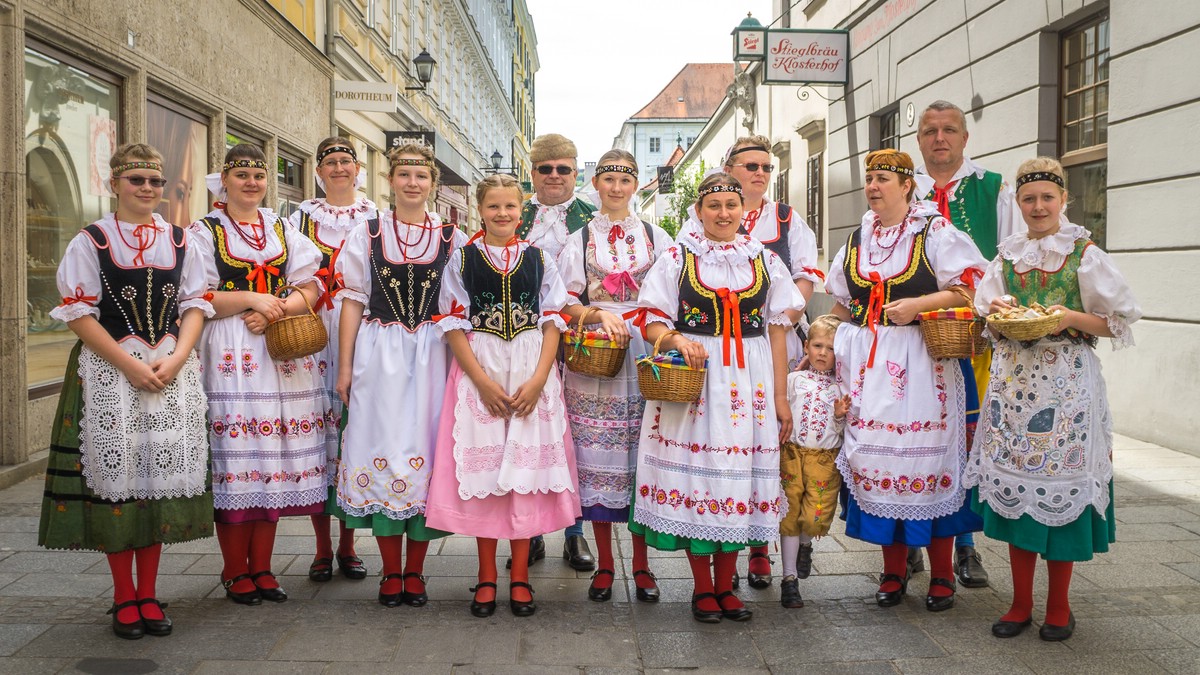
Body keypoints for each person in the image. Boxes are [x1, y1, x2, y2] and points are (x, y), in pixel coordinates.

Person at [38, 144, 213, 639]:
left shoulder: (182, 240)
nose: (147, 189)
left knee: (155, 480)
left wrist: (177, 357)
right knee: (121, 479)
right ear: (115, 183)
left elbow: (195, 305)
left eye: (154, 182)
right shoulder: (90, 240)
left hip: (168, 369)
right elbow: (79, 313)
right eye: (136, 180)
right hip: (110, 372)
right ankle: (123, 597)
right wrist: (127, 365)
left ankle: (150, 594)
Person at [966, 157, 1141, 641]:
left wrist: (1068, 317)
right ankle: (1020, 603)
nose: (1038, 206)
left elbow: (1116, 322)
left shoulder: (1084, 253)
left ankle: (1059, 606)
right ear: (1018, 204)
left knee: (1060, 486)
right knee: (1016, 495)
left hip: (1067, 387)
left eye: (1047, 197)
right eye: (1029, 198)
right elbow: (986, 314)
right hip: (1013, 386)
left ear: (1064, 200)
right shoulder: (1006, 255)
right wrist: (997, 308)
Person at [630, 172, 805, 624]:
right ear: (700, 211)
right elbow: (649, 320)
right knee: (701, 480)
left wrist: (781, 398)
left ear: (744, 210)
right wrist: (673, 339)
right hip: (697, 382)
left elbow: (779, 331)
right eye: (714, 206)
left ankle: (727, 587)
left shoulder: (764, 260)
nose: (724, 214)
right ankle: (703, 589)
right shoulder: (676, 258)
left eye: (731, 205)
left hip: (751, 382)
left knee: (737, 478)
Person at [825, 149, 988, 613]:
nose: (873, 187)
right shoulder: (858, 238)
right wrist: (814, 339)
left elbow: (970, 289)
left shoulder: (934, 231)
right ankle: (894, 571)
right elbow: (841, 303)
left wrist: (919, 306)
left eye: (882, 179)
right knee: (877, 465)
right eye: (869, 179)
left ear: (906, 185)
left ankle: (941, 575)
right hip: (867, 367)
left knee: (927, 464)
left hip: (923, 363)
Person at [425, 173, 581, 618]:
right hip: (483, 370)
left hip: (531, 369)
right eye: (493, 207)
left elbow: (553, 320)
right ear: (481, 210)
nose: (502, 214)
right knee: (489, 475)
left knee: (523, 478)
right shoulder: (463, 259)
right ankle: (487, 575)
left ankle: (520, 576)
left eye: (510, 207)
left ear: (521, 210)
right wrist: (481, 382)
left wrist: (538, 379)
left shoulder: (539, 259)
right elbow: (453, 325)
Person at [191, 144, 327, 606]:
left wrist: (279, 308)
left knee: (270, 456)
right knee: (238, 455)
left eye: (258, 175)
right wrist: (252, 300)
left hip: (280, 349)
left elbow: (314, 281)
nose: (251, 182)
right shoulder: (204, 231)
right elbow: (194, 296)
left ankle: (263, 568)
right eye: (241, 174)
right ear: (224, 181)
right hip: (230, 349)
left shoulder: (281, 226)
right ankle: (234, 570)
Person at [332, 143, 465, 607]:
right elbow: (352, 301)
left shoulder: (454, 238)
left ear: (432, 183)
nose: (412, 182)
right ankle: (391, 572)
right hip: (380, 354)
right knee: (385, 448)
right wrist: (345, 367)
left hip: (433, 356)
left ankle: (416, 571)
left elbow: (458, 308)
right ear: (390, 180)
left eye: (421, 175)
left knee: (427, 450)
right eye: (404, 174)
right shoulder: (365, 233)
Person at [913, 100, 1026, 587]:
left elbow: (1012, 260)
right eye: (930, 131)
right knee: (915, 434)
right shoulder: (904, 186)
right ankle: (914, 539)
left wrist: (1002, 321)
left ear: (964, 138)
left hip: (973, 334)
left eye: (949, 130)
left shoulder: (994, 190)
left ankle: (965, 546)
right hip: (911, 337)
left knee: (966, 434)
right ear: (919, 140)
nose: (940, 138)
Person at [557, 150, 670, 603]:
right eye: (609, 180)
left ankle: (641, 567)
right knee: (598, 460)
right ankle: (605, 566)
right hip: (597, 353)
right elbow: (564, 301)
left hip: (645, 343)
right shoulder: (578, 238)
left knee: (644, 456)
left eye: (625, 180)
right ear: (597, 185)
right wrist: (596, 311)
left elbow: (670, 298)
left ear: (636, 184)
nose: (617, 188)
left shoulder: (658, 236)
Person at [722, 134, 823, 588]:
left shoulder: (786, 217)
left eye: (766, 166)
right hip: (730, 344)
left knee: (775, 443)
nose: (760, 173)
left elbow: (807, 272)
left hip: (775, 340)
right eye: (750, 166)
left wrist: (784, 314)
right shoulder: (713, 210)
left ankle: (765, 547)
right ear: (731, 170)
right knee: (735, 440)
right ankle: (735, 538)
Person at [289, 137, 378, 584]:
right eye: (331, 162)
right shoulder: (300, 218)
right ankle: (322, 546)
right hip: (310, 330)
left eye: (346, 161)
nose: (339, 168)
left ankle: (349, 543)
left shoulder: (375, 217)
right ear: (319, 171)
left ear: (358, 168)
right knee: (318, 437)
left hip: (362, 329)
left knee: (352, 433)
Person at [515, 132, 596, 571]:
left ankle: (574, 532)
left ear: (575, 172)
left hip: (580, 338)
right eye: (545, 169)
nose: (554, 176)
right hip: (523, 338)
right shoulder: (512, 213)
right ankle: (528, 532)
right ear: (533, 173)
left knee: (575, 434)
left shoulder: (595, 217)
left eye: (563, 169)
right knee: (528, 433)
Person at [778, 314, 849, 609]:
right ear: (806, 347)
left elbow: (844, 432)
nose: (822, 353)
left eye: (830, 348)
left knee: (815, 514)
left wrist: (839, 415)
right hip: (792, 454)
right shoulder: (793, 381)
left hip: (824, 460)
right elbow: (780, 413)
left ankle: (805, 545)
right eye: (817, 345)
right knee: (789, 514)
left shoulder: (841, 389)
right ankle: (789, 578)